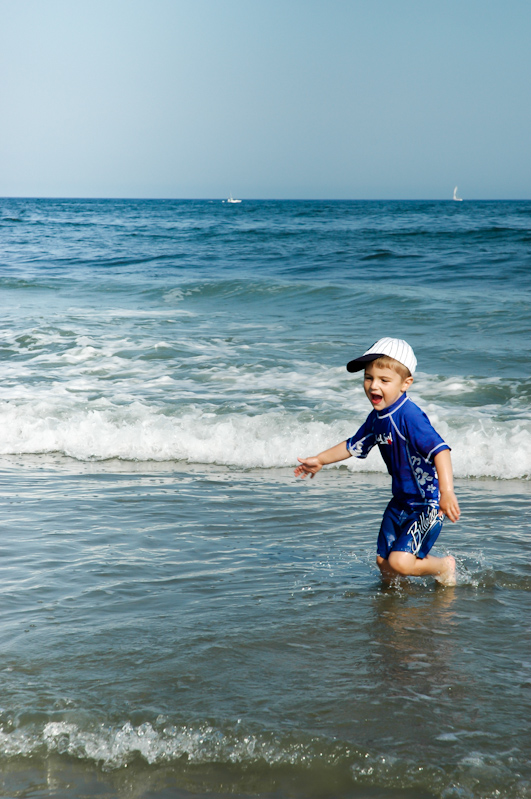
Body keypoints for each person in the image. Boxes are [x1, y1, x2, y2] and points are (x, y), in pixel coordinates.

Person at [294, 338, 460, 586]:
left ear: (406, 384)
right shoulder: (377, 418)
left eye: (384, 380)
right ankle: (399, 609)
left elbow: (441, 451)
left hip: (427, 505)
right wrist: (319, 460)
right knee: (384, 564)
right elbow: (352, 445)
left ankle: (444, 566)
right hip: (399, 502)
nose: (373, 386)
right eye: (368, 378)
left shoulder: (409, 416)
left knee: (399, 562)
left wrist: (447, 492)